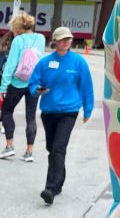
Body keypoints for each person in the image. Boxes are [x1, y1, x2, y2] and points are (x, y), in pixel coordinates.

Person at [28, 26, 94, 205]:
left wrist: (88, 109)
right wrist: (37, 90)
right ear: (55, 41)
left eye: (69, 39)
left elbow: (86, 86)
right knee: (53, 149)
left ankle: (50, 188)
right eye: (63, 39)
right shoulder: (45, 62)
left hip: (69, 111)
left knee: (58, 148)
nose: (66, 42)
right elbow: (33, 82)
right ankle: (59, 182)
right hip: (49, 111)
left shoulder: (78, 62)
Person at [0, 12, 46, 162]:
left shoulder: (18, 40)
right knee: (31, 117)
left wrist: (3, 87)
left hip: (17, 83)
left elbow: (11, 65)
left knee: (6, 111)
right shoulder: (41, 38)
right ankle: (29, 152)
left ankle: (9, 146)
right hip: (35, 83)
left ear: (18, 28)